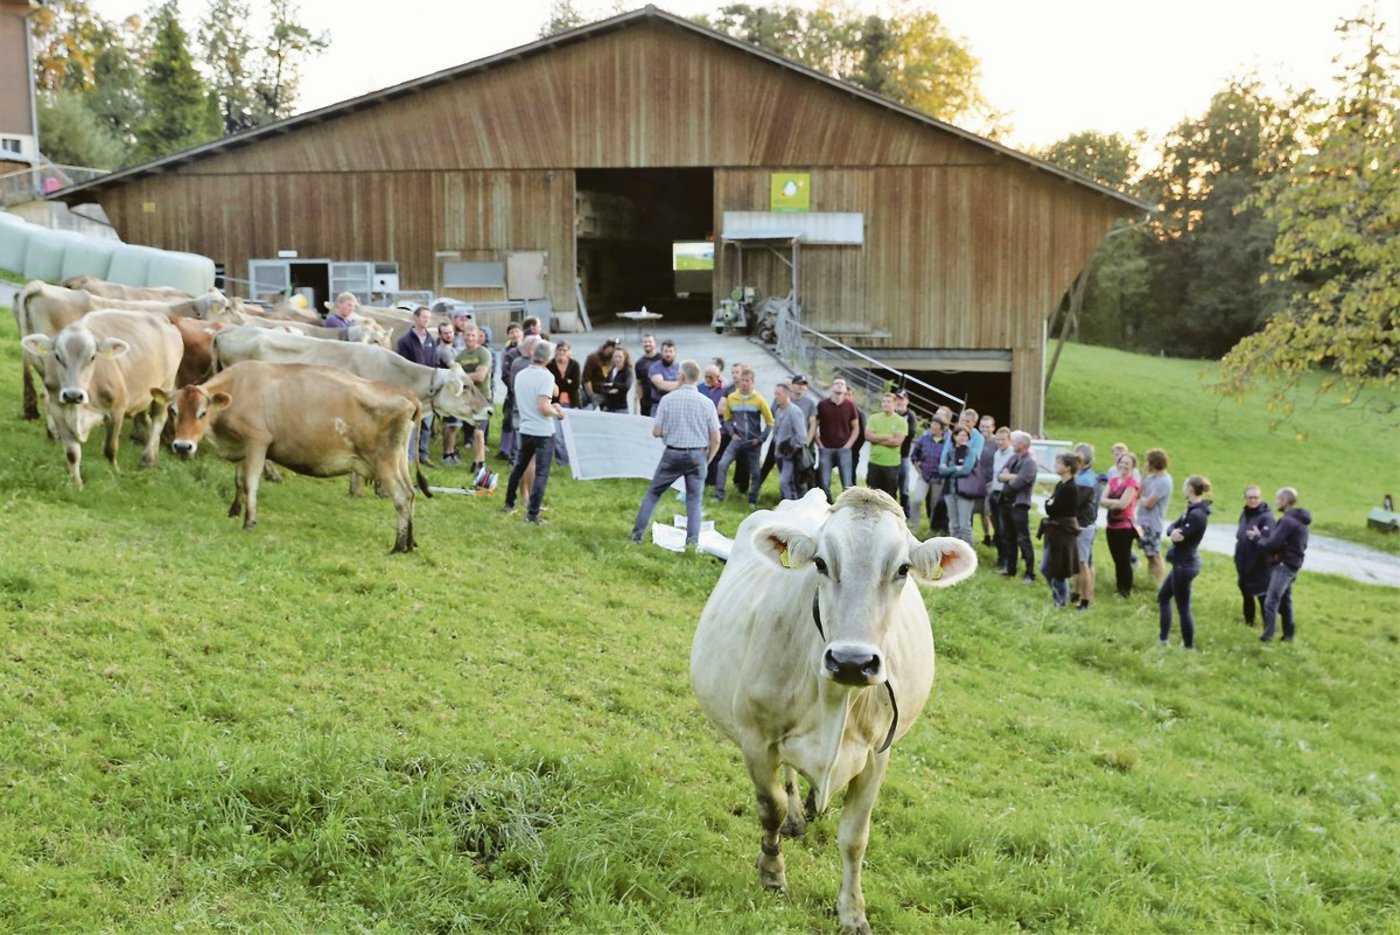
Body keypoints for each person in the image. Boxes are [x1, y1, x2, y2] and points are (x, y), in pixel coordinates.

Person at [629, 359, 720, 548]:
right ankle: (691, 543)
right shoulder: (707, 403)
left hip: (673, 454)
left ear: (681, 376)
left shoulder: (668, 400)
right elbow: (716, 438)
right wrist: (708, 460)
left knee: (653, 494)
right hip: (697, 455)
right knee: (694, 500)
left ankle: (636, 536)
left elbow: (656, 431)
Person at [502, 339, 565, 525]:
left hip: (525, 427)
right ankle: (533, 514)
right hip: (543, 430)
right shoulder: (545, 377)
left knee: (520, 465)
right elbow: (544, 407)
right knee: (542, 473)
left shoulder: (522, 374)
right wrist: (558, 413)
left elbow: (553, 392)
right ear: (549, 358)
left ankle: (509, 501)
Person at [1158, 475, 1213, 650]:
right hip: (1181, 563)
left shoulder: (1197, 514)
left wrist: (1175, 532)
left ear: (1190, 488)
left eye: (1184, 485)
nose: (1183, 488)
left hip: (1185, 565)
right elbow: (1171, 529)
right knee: (1163, 597)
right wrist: (1174, 531)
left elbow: (1179, 538)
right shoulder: (1190, 509)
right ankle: (1163, 639)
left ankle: (1188, 646)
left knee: (1182, 607)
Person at [1253, 487, 1311, 643]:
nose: (1276, 502)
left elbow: (1272, 544)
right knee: (1285, 601)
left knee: (1271, 601)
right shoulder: (1299, 520)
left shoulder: (1287, 521)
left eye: (1278, 499)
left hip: (1283, 565)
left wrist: (1258, 538)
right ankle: (1288, 635)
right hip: (1293, 564)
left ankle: (1267, 636)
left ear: (1285, 501)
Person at [713, 366, 774, 507]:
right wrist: (732, 433)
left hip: (753, 443)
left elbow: (770, 421)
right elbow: (727, 418)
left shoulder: (759, 399)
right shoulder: (732, 398)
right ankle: (719, 495)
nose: (744, 383)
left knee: (756, 472)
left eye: (747, 380)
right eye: (742, 380)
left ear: (753, 382)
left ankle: (752, 499)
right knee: (722, 464)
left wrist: (761, 439)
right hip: (737, 440)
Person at [394, 306, 438, 465]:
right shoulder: (404, 340)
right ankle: (410, 455)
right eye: (424, 317)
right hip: (412, 388)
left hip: (427, 388)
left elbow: (434, 362)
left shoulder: (431, 340)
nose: (426, 320)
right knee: (411, 424)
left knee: (426, 422)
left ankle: (423, 454)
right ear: (416, 318)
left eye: (428, 317)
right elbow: (402, 366)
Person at [1039, 451, 1082, 608]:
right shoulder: (1060, 485)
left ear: (1068, 468)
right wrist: (1049, 504)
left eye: (1059, 464)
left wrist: (1049, 504)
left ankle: (1061, 601)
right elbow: (1051, 505)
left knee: (1058, 569)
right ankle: (1059, 596)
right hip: (1054, 531)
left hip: (1063, 532)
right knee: (1046, 567)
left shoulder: (1070, 488)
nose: (1056, 466)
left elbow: (1053, 508)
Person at [449, 324, 493, 473]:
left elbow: (480, 376)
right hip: (466, 397)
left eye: (473, 335)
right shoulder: (460, 355)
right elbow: (453, 373)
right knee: (460, 427)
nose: (469, 338)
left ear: (478, 337)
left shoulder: (483, 353)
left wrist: (461, 377)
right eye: (467, 335)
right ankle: (454, 454)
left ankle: (479, 464)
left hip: (482, 397)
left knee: (479, 432)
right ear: (463, 336)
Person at [997, 429, 1037, 583]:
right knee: (1008, 537)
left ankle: (1029, 573)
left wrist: (1009, 477)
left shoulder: (1030, 462)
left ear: (1022, 444)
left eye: (1015, 441)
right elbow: (1000, 475)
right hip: (1006, 503)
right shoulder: (1014, 457)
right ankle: (1010, 568)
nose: (1012, 444)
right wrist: (1010, 476)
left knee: (1023, 539)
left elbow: (1018, 483)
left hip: (1019, 505)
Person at [1101, 451, 1141, 598]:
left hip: (1124, 527)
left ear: (1133, 467)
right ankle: (1119, 588)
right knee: (1116, 559)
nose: (1123, 466)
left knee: (1124, 559)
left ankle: (1126, 591)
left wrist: (1110, 503)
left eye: (1127, 463)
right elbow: (1101, 499)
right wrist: (1114, 503)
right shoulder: (1112, 481)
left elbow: (1124, 504)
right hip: (1110, 525)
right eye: (1122, 462)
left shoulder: (1132, 484)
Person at [1233, 485, 1274, 627]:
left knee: (1263, 597)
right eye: (1250, 497)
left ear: (1260, 498)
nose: (1253, 500)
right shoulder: (1244, 514)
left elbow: (1269, 543)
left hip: (1260, 565)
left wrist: (1258, 536)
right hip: (1244, 563)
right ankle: (1248, 622)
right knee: (1246, 594)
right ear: (1245, 499)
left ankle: (1268, 627)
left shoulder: (1267, 517)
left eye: (1256, 497)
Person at [938, 424, 983, 545]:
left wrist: (949, 469)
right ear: (955, 437)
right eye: (961, 435)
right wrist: (955, 468)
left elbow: (966, 470)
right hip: (949, 491)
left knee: (964, 526)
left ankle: (969, 553)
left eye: (966, 435)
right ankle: (956, 552)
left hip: (965, 491)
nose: (963, 438)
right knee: (954, 525)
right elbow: (941, 471)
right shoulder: (948, 452)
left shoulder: (970, 452)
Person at [1072, 443, 1101, 611]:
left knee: (1083, 564)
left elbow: (1076, 504)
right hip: (1087, 524)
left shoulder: (1085, 480)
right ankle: (1076, 592)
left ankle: (1086, 600)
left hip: (1083, 525)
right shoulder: (1088, 475)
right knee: (1083, 561)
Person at [1138, 448, 1174, 586]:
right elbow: (1139, 490)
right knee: (1148, 554)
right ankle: (1150, 581)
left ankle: (1159, 583)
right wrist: (1143, 475)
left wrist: (1140, 497)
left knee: (1155, 555)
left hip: (1152, 523)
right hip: (1142, 522)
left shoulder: (1164, 481)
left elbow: (1148, 503)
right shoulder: (1151, 478)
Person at [907, 415, 948, 533]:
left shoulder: (947, 443)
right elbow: (914, 455)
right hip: (924, 476)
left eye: (936, 425)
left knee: (934, 505)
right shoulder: (924, 439)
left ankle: (932, 528)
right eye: (932, 424)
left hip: (939, 479)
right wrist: (917, 468)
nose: (933, 426)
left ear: (942, 428)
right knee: (917, 500)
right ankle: (914, 525)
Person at [770, 382, 809, 501]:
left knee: (784, 482)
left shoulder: (794, 412)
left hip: (791, 455)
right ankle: (791, 502)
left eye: (779, 394)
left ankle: (789, 506)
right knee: (788, 483)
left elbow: (802, 436)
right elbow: (776, 430)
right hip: (780, 454)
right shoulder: (778, 411)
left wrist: (789, 446)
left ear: (787, 394)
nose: (776, 396)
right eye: (775, 394)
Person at [864, 392, 907, 500]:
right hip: (874, 462)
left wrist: (876, 439)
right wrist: (887, 436)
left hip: (891, 465)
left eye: (888, 402)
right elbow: (868, 436)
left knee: (889, 496)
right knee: (871, 493)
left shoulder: (901, 422)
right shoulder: (873, 418)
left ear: (895, 404)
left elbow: (897, 442)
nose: (885, 404)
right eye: (883, 401)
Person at [496, 322, 525, 461]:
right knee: (508, 419)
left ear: (522, 333)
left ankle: (518, 451)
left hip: (525, 392)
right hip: (511, 392)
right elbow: (505, 373)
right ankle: (504, 449)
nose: (514, 334)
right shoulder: (506, 351)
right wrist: (513, 388)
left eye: (517, 331)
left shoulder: (528, 348)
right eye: (511, 332)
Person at [987, 427, 1014, 569]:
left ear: (1009, 440)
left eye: (1003, 439)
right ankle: (1000, 557)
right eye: (998, 439)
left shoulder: (1012, 455)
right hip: (994, 492)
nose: (1000, 442)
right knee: (997, 528)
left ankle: (1008, 559)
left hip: (1005, 494)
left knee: (1004, 529)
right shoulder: (997, 453)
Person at [894, 390, 918, 519]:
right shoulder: (890, 413)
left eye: (902, 399)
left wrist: (896, 435)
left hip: (902, 456)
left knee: (904, 488)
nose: (899, 401)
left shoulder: (911, 416)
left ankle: (906, 515)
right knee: (890, 486)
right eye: (897, 398)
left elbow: (910, 433)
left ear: (907, 401)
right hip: (889, 457)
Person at [580, 337, 618, 408]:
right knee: (587, 410)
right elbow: (586, 378)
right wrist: (591, 395)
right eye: (614, 349)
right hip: (591, 391)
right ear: (609, 347)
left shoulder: (613, 359)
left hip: (604, 392)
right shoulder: (593, 358)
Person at [646, 338, 680, 415]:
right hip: (658, 406)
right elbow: (661, 385)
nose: (668, 354)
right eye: (665, 351)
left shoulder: (679, 367)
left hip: (675, 406)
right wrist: (679, 384)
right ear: (661, 352)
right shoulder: (655, 368)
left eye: (671, 351)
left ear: (675, 353)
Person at [597, 346, 633, 413]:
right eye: (615, 356)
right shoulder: (612, 370)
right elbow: (603, 387)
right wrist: (609, 392)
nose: (617, 359)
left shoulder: (627, 371)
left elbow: (626, 386)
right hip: (608, 408)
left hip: (621, 409)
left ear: (625, 358)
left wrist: (613, 384)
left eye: (620, 357)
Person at [633, 334, 660, 416]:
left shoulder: (662, 359)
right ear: (642, 344)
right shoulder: (639, 363)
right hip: (645, 404)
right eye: (645, 342)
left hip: (660, 402)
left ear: (655, 343)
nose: (647, 344)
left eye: (650, 342)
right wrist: (640, 399)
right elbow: (638, 382)